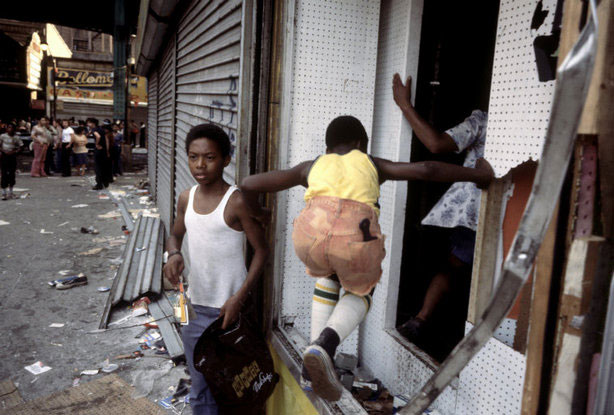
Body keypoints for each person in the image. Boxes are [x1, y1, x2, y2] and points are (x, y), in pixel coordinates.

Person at [240, 115, 494, 401]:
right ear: (360, 144)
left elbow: (248, 183)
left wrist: (258, 213)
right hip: (355, 237)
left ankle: (310, 370)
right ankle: (326, 344)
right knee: (362, 289)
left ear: (328, 148)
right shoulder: (369, 162)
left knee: (328, 274)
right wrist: (478, 175)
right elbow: (427, 169)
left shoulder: (311, 167)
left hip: (308, 237)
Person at [163, 123, 269, 415]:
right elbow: (175, 234)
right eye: (193, 156)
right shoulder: (186, 197)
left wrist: (239, 298)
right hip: (192, 309)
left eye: (209, 157)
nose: (200, 164)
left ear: (225, 159)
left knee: (237, 389)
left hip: (229, 314)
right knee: (200, 389)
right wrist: (173, 255)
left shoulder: (236, 201)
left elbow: (261, 251)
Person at [392, 74, 489, 342]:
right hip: (513, 214)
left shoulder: (483, 121)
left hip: (474, 215)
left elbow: (435, 145)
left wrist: (404, 105)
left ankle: (421, 320)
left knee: (453, 266)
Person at [0, 123, 24, 200]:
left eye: (12, 128)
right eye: (9, 127)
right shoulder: (2, 136)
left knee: (11, 174)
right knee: (4, 173)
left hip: (12, 157)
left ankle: (11, 192)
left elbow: (21, 146)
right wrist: (3, 151)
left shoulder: (16, 138)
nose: (10, 129)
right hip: (4, 156)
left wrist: (15, 152)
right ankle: (3, 193)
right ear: (6, 129)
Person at [88, 118, 111, 190]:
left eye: (89, 123)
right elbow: (106, 140)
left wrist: (96, 144)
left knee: (98, 167)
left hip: (99, 150)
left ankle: (99, 184)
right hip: (104, 150)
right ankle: (105, 182)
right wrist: (107, 150)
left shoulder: (94, 130)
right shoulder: (101, 129)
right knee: (104, 167)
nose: (88, 124)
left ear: (93, 123)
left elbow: (98, 136)